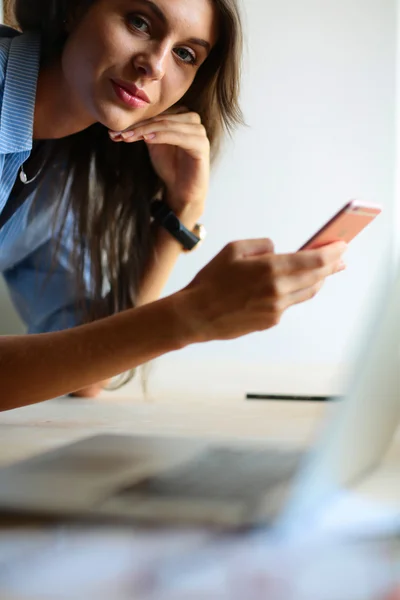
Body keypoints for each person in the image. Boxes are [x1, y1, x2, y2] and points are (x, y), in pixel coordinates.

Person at [0, 0, 346, 411]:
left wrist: (181, 209)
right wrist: (191, 316)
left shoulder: (69, 167)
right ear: (76, 8)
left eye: (186, 54)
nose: (156, 65)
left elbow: (90, 372)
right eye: (140, 22)